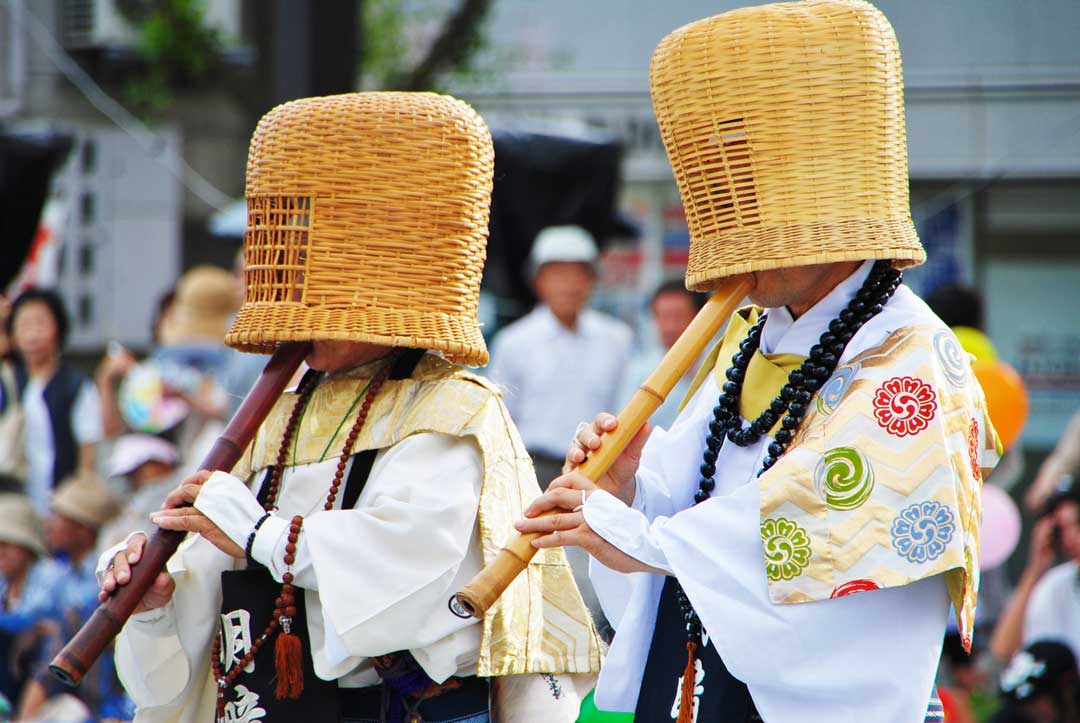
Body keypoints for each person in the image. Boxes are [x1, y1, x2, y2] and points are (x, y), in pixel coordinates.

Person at [515, 2, 998, 721]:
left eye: (754, 199)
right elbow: (695, 486)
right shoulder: (756, 329)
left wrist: (642, 538)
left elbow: (815, 521)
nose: (731, 232)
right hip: (694, 667)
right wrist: (627, 490)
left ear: (824, 200)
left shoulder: (918, 360)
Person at [98, 92, 599, 723]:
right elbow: (204, 606)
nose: (305, 309)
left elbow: (407, 571)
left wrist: (259, 533)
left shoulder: (450, 410)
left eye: (327, 286)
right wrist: (155, 606)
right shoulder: (275, 413)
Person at [487, 224, 633, 487]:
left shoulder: (617, 339)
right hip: (531, 470)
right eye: (557, 274)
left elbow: (626, 407)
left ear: (591, 280)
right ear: (538, 281)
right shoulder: (513, 342)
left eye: (577, 274)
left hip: (597, 468)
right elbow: (499, 421)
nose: (568, 285)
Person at [17, 475, 126, 722]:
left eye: (58, 517)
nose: (48, 524)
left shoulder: (98, 584)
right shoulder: (62, 573)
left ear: (83, 529)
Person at [6, 288, 102, 515]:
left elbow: (87, 453)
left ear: (58, 328)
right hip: (13, 500)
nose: (32, 335)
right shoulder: (7, 381)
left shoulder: (76, 384)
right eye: (24, 326)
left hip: (58, 500)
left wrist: (75, 504)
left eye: (40, 325)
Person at [991, 478, 1080, 666]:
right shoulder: (1058, 584)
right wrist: (1035, 569)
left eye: (1076, 523)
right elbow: (1003, 649)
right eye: (1061, 528)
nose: (1070, 537)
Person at [0, 494, 65, 706]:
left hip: (49, 686)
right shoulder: (4, 584)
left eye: (7, 544)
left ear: (26, 546)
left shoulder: (50, 577)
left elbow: (34, 620)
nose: (1, 551)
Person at [616, 281, 707, 431]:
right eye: (663, 317)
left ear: (701, 316)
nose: (670, 326)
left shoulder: (723, 364)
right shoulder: (640, 372)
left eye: (678, 316)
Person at [96, 434, 181, 552]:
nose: (134, 481)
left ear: (160, 464)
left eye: (137, 472)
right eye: (130, 476)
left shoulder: (178, 491)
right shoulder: (131, 508)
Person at [990, 641, 1080, 723]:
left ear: (1067, 690)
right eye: (1025, 704)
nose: (1031, 710)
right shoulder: (1012, 717)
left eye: (1036, 700)